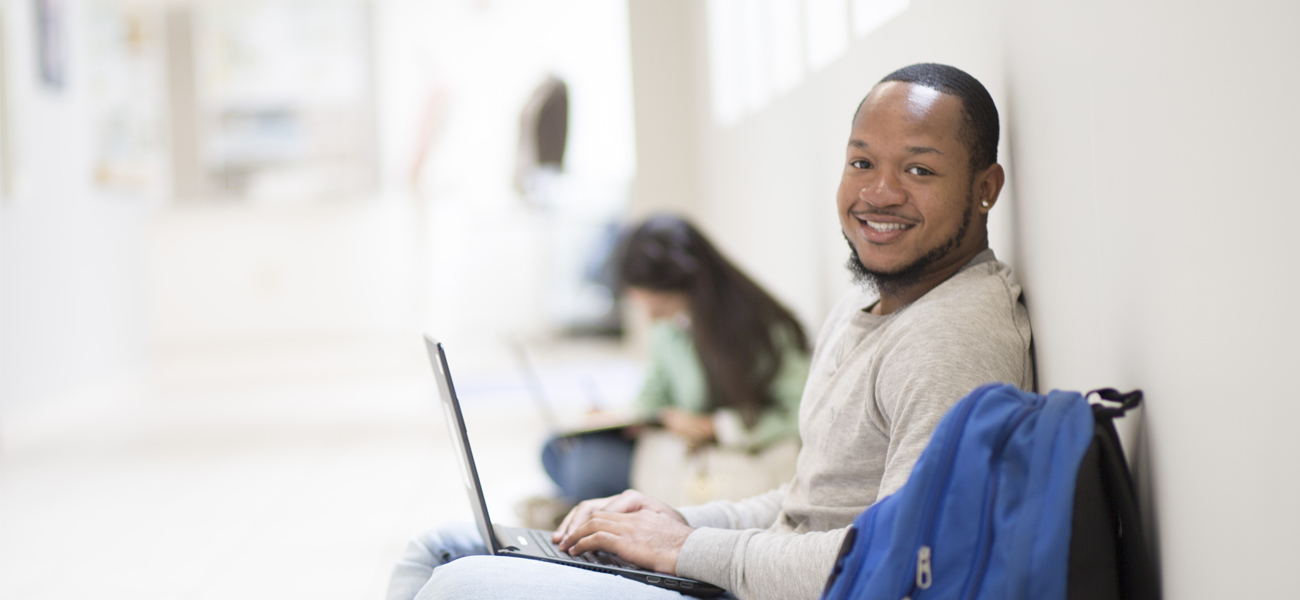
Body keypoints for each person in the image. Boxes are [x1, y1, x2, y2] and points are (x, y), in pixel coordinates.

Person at [387, 63, 1033, 600]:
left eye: (918, 170)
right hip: (751, 570)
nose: (880, 192)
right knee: (441, 546)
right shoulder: (871, 304)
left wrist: (686, 549)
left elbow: (897, 564)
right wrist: (675, 522)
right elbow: (805, 502)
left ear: (985, 188)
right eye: (862, 162)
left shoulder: (952, 337)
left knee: (459, 583)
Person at [536, 216, 810, 514]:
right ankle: (593, 504)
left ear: (693, 289)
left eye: (662, 307)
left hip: (716, 455)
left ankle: (587, 505)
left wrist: (715, 427)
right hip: (671, 442)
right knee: (554, 449)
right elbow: (655, 393)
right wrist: (621, 420)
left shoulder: (765, 328)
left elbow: (798, 413)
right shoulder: (670, 328)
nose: (653, 319)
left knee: (588, 468)